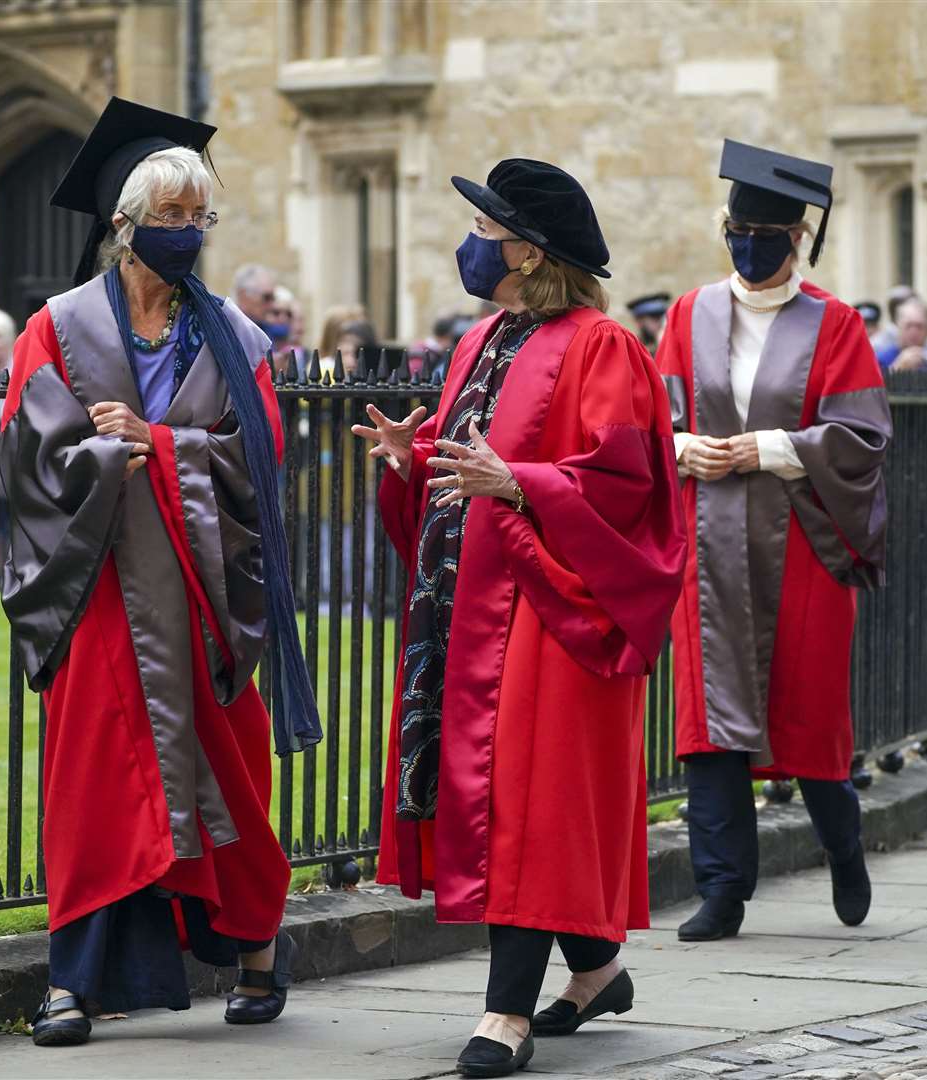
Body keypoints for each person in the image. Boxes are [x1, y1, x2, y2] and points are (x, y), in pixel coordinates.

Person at [0, 97, 321, 1047]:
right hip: (97, 596)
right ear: (123, 224)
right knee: (95, 783)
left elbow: (258, 462)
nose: (186, 234)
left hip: (199, 598)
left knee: (227, 776)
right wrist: (105, 462)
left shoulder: (237, 339)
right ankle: (74, 980)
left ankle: (258, 948)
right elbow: (30, 460)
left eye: (198, 217)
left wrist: (162, 443)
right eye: (170, 217)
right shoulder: (55, 329)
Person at [355, 158, 684, 1078]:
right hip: (469, 607)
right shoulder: (481, 339)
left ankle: (505, 1015)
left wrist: (521, 484)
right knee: (496, 796)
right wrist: (409, 461)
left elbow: (626, 485)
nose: (472, 244)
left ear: (528, 251)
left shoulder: (603, 347)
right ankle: (596, 968)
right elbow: (469, 460)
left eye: (486, 231)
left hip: (549, 605)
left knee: (529, 806)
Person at [658, 140, 890, 942]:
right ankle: (721, 891)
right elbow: (657, 417)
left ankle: (843, 845)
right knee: (709, 724)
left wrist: (765, 448)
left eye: (765, 231)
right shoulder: (689, 314)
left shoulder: (835, 324)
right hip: (707, 544)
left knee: (809, 715)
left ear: (797, 238)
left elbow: (861, 436)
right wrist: (684, 447)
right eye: (736, 229)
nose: (748, 244)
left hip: (803, 549)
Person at [875, 297, 927, 371]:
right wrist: (897, 368)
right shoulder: (881, 359)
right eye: (908, 325)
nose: (914, 332)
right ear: (898, 326)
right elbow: (874, 382)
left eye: (919, 326)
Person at [264, 285, 301, 375]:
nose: (283, 319)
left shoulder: (303, 356)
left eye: (288, 314)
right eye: (276, 313)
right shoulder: (256, 350)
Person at [231, 263, 277, 331]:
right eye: (267, 297)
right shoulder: (225, 328)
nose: (272, 305)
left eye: (273, 298)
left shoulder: (268, 330)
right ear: (243, 296)